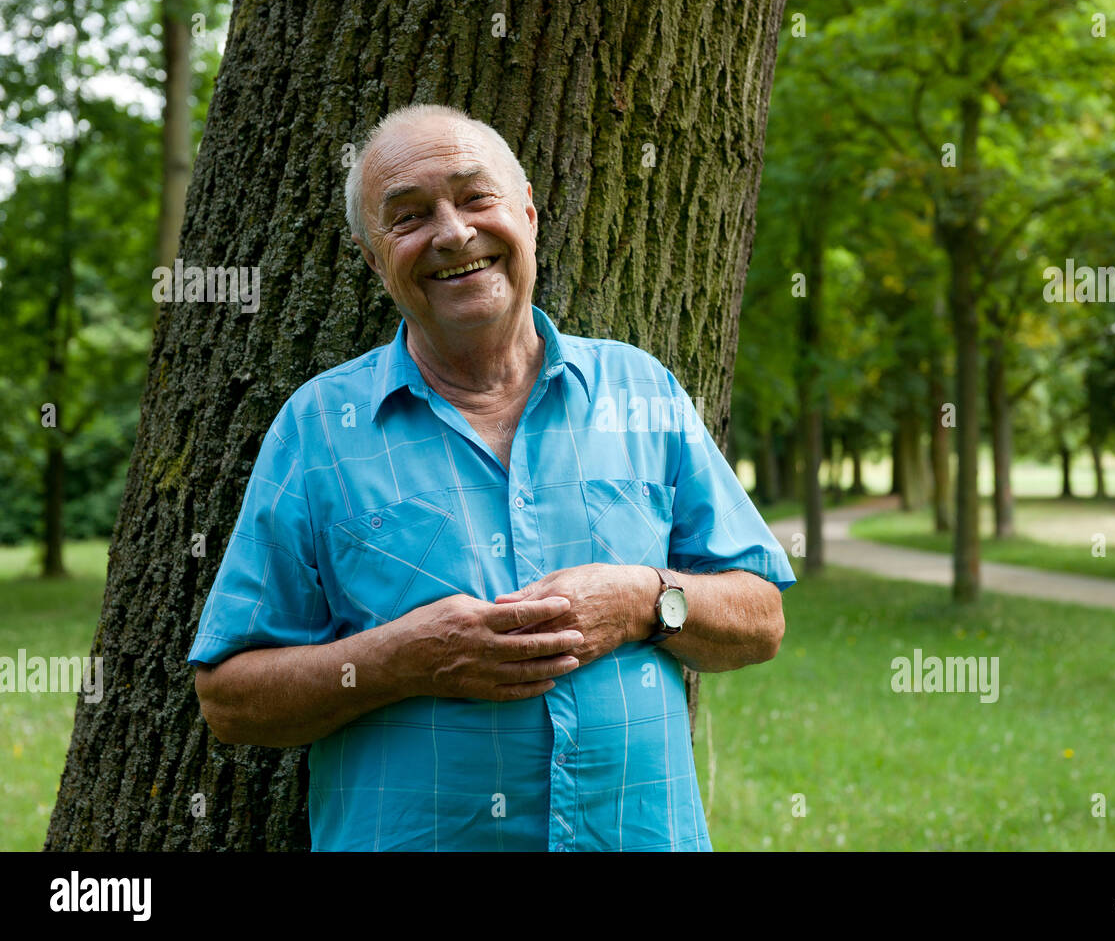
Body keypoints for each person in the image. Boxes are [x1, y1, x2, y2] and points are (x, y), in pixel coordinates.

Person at [188, 103, 796, 851]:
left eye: (476, 198)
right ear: (374, 259)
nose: (452, 233)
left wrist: (646, 600)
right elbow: (230, 700)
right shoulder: (318, 429)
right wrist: (400, 660)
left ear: (530, 217)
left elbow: (760, 618)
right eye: (408, 217)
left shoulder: (641, 391)